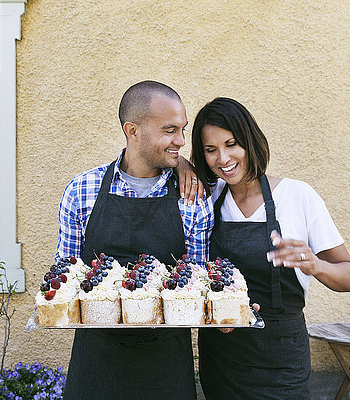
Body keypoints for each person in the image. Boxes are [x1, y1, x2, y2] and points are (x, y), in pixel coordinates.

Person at [191, 97, 350, 400]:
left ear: (250, 141)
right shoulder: (207, 198)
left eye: (232, 144)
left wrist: (315, 265)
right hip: (222, 356)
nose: (223, 158)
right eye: (210, 150)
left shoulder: (297, 196)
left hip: (281, 357)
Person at [57, 80, 213, 400]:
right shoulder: (81, 191)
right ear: (133, 130)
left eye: (183, 129)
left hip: (166, 365)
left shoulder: (193, 199)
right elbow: (66, 276)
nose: (181, 141)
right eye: (170, 130)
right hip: (96, 362)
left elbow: (197, 283)